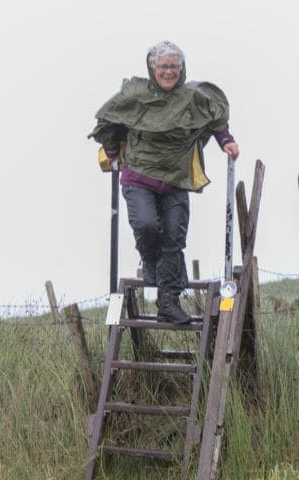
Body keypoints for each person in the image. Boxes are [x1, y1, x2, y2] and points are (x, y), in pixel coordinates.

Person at [90, 40, 240, 324]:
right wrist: (111, 153)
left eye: (174, 66)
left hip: (176, 179)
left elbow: (216, 118)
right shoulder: (136, 94)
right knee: (147, 226)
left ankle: (168, 303)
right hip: (138, 177)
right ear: (152, 68)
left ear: (181, 69)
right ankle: (149, 263)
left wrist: (227, 141)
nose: (169, 72)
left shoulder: (193, 96)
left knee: (174, 238)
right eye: (163, 66)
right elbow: (110, 120)